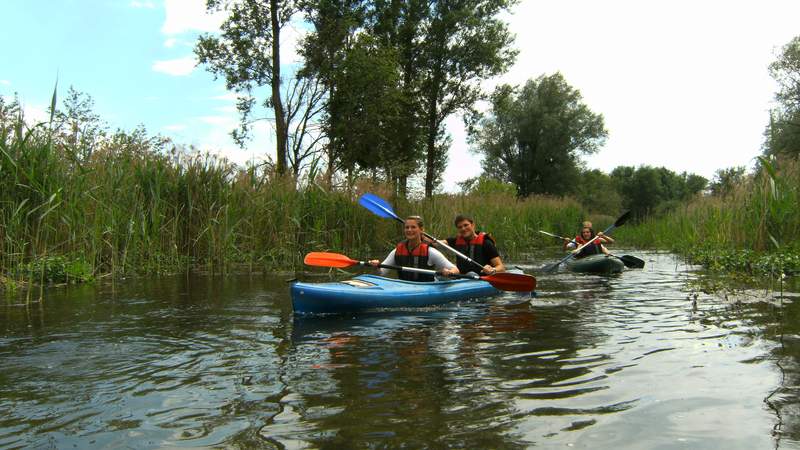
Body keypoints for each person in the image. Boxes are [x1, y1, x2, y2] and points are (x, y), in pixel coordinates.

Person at [369, 216, 459, 281]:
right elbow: (382, 272)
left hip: (427, 289)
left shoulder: (430, 252)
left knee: (444, 279)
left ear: (421, 230)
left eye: (413, 227)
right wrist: (376, 266)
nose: (409, 230)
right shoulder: (397, 251)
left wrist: (449, 272)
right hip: (405, 287)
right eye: (407, 227)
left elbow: (456, 270)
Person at [438, 214, 505, 275]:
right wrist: (427, 239)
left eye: (466, 225)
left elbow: (501, 268)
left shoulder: (486, 243)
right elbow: (437, 242)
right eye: (460, 227)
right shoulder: (456, 241)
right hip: (463, 279)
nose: (463, 229)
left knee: (471, 274)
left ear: (472, 225)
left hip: (482, 278)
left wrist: (493, 270)